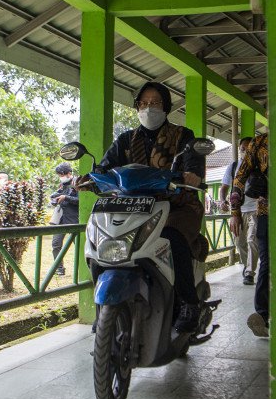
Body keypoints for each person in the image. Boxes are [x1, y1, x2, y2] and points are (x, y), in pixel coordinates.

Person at [77, 82, 206, 333]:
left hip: (178, 206)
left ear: (166, 106)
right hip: (133, 208)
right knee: (97, 239)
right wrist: (89, 179)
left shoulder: (183, 136)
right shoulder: (125, 140)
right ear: (137, 106)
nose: (149, 108)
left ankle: (189, 304)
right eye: (144, 103)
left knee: (172, 238)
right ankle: (104, 306)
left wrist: (191, 176)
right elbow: (104, 168)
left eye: (155, 103)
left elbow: (193, 163)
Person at [230, 133, 269, 338]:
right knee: (267, 262)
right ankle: (262, 316)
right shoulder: (260, 143)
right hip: (266, 213)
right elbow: (239, 178)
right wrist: (235, 212)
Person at [220, 137, 258, 285]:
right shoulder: (234, 166)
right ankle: (247, 265)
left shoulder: (260, 165)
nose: (245, 152)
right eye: (243, 149)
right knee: (239, 241)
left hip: (256, 208)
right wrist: (223, 200)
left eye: (248, 149)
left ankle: (249, 272)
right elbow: (224, 187)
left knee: (252, 240)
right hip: (238, 211)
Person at [50, 162, 79, 276]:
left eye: (61, 174)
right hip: (61, 219)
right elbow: (57, 195)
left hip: (74, 220)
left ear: (69, 173)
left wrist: (66, 197)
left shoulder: (78, 183)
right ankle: (59, 269)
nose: (60, 177)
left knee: (79, 246)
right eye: (59, 175)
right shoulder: (62, 185)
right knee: (56, 243)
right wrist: (54, 198)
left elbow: (81, 201)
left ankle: (84, 268)